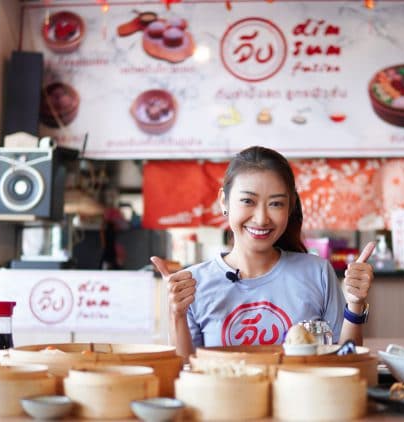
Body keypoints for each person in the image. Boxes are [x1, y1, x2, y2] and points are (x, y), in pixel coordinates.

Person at [151, 146, 375, 361]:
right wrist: (176, 314)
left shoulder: (317, 272)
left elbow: (345, 361)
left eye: (276, 204)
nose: (261, 218)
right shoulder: (194, 282)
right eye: (248, 201)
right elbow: (186, 370)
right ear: (223, 201)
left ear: (291, 206)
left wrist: (355, 305)